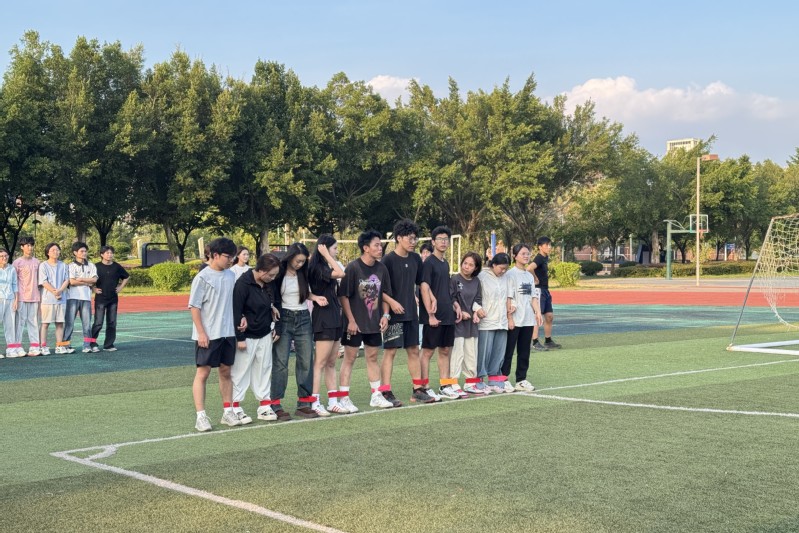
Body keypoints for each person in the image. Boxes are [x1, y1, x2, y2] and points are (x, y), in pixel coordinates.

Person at [189, 237, 246, 432]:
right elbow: (194, 307)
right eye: (228, 257)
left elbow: (234, 302)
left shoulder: (231, 276)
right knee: (203, 373)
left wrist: (241, 317)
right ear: (215, 255)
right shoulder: (202, 277)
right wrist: (201, 333)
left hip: (228, 332)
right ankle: (201, 416)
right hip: (208, 334)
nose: (231, 260)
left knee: (226, 371)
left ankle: (227, 412)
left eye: (232, 257)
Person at [338, 230, 394, 411]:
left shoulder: (382, 268)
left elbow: (385, 295)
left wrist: (385, 315)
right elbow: (343, 296)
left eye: (380, 245)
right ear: (366, 248)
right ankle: (343, 397)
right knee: (349, 358)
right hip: (354, 324)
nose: (380, 248)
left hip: (374, 323)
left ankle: (376, 395)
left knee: (372, 357)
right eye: (376, 245)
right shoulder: (353, 267)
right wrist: (351, 320)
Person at [381, 219, 434, 405]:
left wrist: (432, 297)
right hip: (393, 315)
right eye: (410, 238)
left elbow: (421, 283)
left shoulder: (416, 259)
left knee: (413, 350)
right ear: (398, 238)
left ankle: (418, 390)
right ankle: (385, 392)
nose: (413, 242)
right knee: (390, 352)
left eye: (415, 238)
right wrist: (392, 303)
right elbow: (380, 290)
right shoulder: (387, 260)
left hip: (411, 313)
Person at [271, 243, 320, 421]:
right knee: (280, 362)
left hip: (303, 317)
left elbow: (305, 293)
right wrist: (272, 309)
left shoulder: (304, 273)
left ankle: (304, 403)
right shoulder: (278, 272)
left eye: (303, 261)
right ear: (290, 257)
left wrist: (315, 297)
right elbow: (271, 292)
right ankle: (275, 403)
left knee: (306, 360)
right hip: (283, 317)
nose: (300, 264)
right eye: (298, 261)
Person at [231, 253, 282, 424]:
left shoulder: (268, 284)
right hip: (247, 336)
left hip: (265, 333)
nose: (273, 278)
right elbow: (236, 311)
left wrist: (274, 315)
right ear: (261, 270)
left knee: (264, 369)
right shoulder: (242, 284)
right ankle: (235, 407)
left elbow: (275, 302)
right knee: (241, 371)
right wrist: (240, 338)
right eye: (271, 275)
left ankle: (264, 406)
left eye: (275, 275)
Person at [420, 226, 462, 400]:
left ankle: (445, 385)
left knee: (445, 350)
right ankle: (423, 387)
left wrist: (455, 305)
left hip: (447, 313)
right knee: (427, 352)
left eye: (446, 239)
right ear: (433, 242)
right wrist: (430, 315)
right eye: (440, 239)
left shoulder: (445, 263)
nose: (443, 242)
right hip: (433, 315)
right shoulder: (428, 263)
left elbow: (445, 289)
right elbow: (424, 288)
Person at [307, 235, 347, 415]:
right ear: (324, 249)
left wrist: (328, 257)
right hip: (323, 317)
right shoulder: (317, 267)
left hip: (335, 316)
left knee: (331, 362)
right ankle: (315, 402)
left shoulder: (326, 265)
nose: (337, 252)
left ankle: (333, 401)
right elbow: (340, 273)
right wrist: (327, 255)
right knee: (320, 363)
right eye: (334, 248)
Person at [501, 244, 543, 393]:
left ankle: (521, 379)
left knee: (524, 352)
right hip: (514, 320)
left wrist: (538, 312)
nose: (526, 256)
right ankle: (503, 379)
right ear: (515, 256)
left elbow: (533, 297)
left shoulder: (529, 276)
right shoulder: (510, 274)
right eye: (523, 253)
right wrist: (510, 318)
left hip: (528, 320)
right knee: (508, 351)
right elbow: (508, 298)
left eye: (528, 253)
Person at [450, 252, 484, 395]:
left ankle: (470, 383)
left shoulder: (476, 281)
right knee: (457, 354)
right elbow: (450, 298)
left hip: (472, 325)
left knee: (471, 354)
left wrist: (476, 312)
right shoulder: (454, 279)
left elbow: (478, 300)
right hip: (457, 323)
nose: (467, 267)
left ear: (476, 268)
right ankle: (453, 383)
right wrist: (459, 311)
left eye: (471, 265)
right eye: (465, 263)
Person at [477, 253, 512, 393]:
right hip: (487, 321)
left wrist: (512, 306)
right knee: (484, 353)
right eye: (501, 268)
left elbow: (510, 296)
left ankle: (493, 379)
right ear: (493, 265)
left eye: (506, 269)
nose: (503, 271)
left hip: (502, 321)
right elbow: (475, 296)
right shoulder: (482, 277)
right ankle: (479, 380)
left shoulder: (506, 278)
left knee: (498, 352)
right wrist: (477, 309)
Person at [90, 246, 129, 352]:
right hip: (100, 299)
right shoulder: (96, 266)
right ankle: (92, 343)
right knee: (98, 323)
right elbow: (89, 279)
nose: (110, 255)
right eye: (107, 253)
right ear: (102, 254)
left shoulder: (116, 266)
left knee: (112, 322)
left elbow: (126, 276)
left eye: (111, 253)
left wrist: (120, 287)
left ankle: (109, 345)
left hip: (113, 299)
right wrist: (93, 288)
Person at [528, 236, 562, 350]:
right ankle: (535, 342)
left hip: (545, 290)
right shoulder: (539, 258)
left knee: (549, 316)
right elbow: (529, 268)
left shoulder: (545, 258)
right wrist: (535, 278)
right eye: (547, 245)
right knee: (537, 316)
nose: (549, 247)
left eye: (550, 245)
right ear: (540, 247)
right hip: (539, 290)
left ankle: (548, 341)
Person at [64, 242, 98, 353]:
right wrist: (87, 282)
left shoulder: (91, 265)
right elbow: (72, 282)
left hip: (86, 298)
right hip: (72, 298)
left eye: (85, 251)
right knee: (69, 323)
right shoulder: (70, 266)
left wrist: (81, 279)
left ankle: (87, 345)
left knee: (87, 324)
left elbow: (94, 279)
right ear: (75, 253)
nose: (84, 253)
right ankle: (65, 345)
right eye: (81, 251)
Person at [38, 243, 70, 355]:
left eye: (57, 250)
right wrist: (54, 291)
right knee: (45, 323)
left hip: (61, 298)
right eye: (53, 250)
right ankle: (43, 346)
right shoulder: (43, 265)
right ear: (48, 253)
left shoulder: (63, 265)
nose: (56, 252)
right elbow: (43, 281)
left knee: (60, 323)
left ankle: (59, 346)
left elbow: (67, 280)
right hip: (47, 299)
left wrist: (60, 290)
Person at [13, 236, 41, 356]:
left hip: (35, 297)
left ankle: (34, 347)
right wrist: (15, 298)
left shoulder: (37, 262)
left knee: (34, 322)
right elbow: (13, 282)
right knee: (19, 323)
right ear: (22, 247)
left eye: (31, 245)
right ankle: (17, 347)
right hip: (21, 297)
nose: (30, 247)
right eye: (27, 245)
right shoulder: (17, 263)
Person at [0, 248, 21, 358]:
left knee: (10, 325)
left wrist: (16, 300)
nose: (4, 258)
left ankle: (11, 349)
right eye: (1, 256)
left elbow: (14, 285)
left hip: (10, 299)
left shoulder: (12, 269)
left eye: (6, 256)